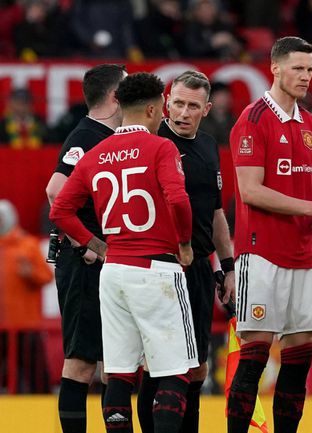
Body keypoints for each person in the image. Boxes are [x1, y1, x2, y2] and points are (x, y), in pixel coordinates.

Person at [50, 71, 197, 433]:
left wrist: (97, 244)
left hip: (113, 271)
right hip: (157, 268)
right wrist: (184, 243)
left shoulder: (96, 152)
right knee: (175, 370)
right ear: (152, 109)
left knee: (117, 373)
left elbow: (59, 211)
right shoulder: (162, 147)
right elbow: (178, 199)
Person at [225, 36, 312, 433]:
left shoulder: (310, 124)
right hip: (260, 253)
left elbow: (309, 187)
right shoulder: (253, 119)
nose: (305, 76)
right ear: (275, 68)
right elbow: (250, 190)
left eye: (310, 69)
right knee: (256, 354)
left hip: (302, 254)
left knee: (299, 356)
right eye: (297, 68)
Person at [135, 70, 236, 433]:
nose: (183, 112)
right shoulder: (151, 142)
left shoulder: (209, 147)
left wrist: (228, 266)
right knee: (159, 363)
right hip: (160, 266)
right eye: (177, 102)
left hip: (198, 268)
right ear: (165, 102)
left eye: (193, 106)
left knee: (198, 365)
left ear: (206, 109)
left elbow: (216, 212)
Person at [44, 63, 126, 433]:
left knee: (116, 361)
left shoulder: (110, 137)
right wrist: (88, 245)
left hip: (108, 265)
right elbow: (55, 190)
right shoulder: (86, 137)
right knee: (81, 361)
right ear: (114, 96)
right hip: (84, 265)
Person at [0, 199, 54, 392]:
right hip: (3, 325)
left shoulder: (27, 245)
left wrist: (30, 273)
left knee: (35, 373)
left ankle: (44, 403)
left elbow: (47, 276)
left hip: (25, 323)